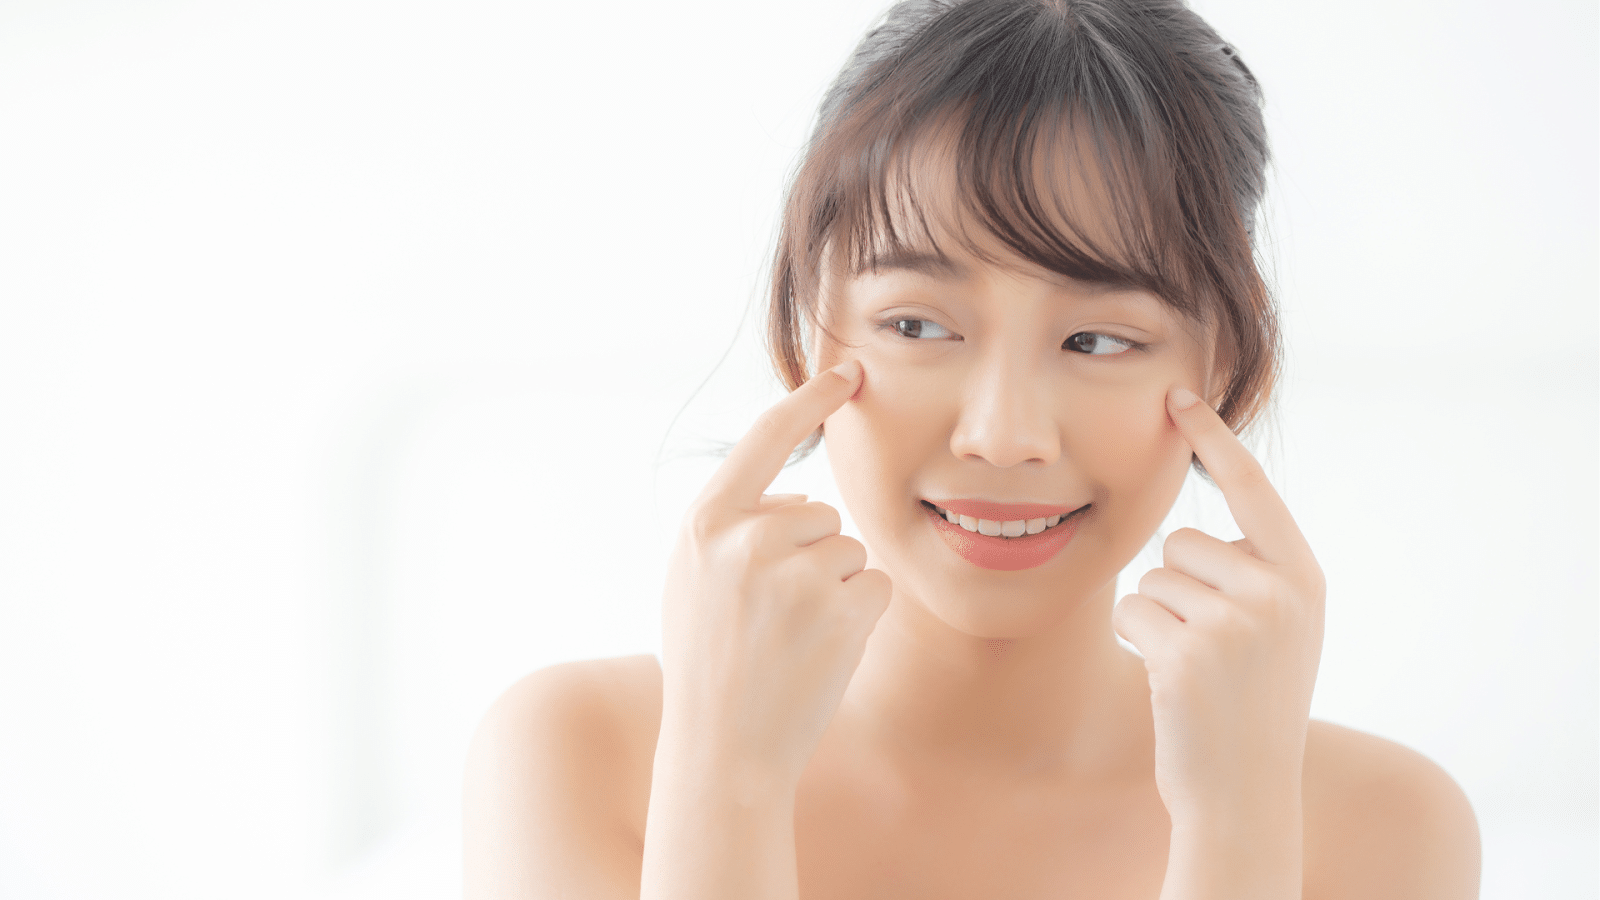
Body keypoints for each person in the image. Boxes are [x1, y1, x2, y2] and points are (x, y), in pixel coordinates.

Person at [463, 0, 1481, 896]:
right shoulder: (579, 755)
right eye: (917, 326)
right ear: (810, 334)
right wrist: (725, 779)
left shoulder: (1381, 828)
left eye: (1096, 340)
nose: (1000, 436)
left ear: (1226, 372)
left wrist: (1238, 829)